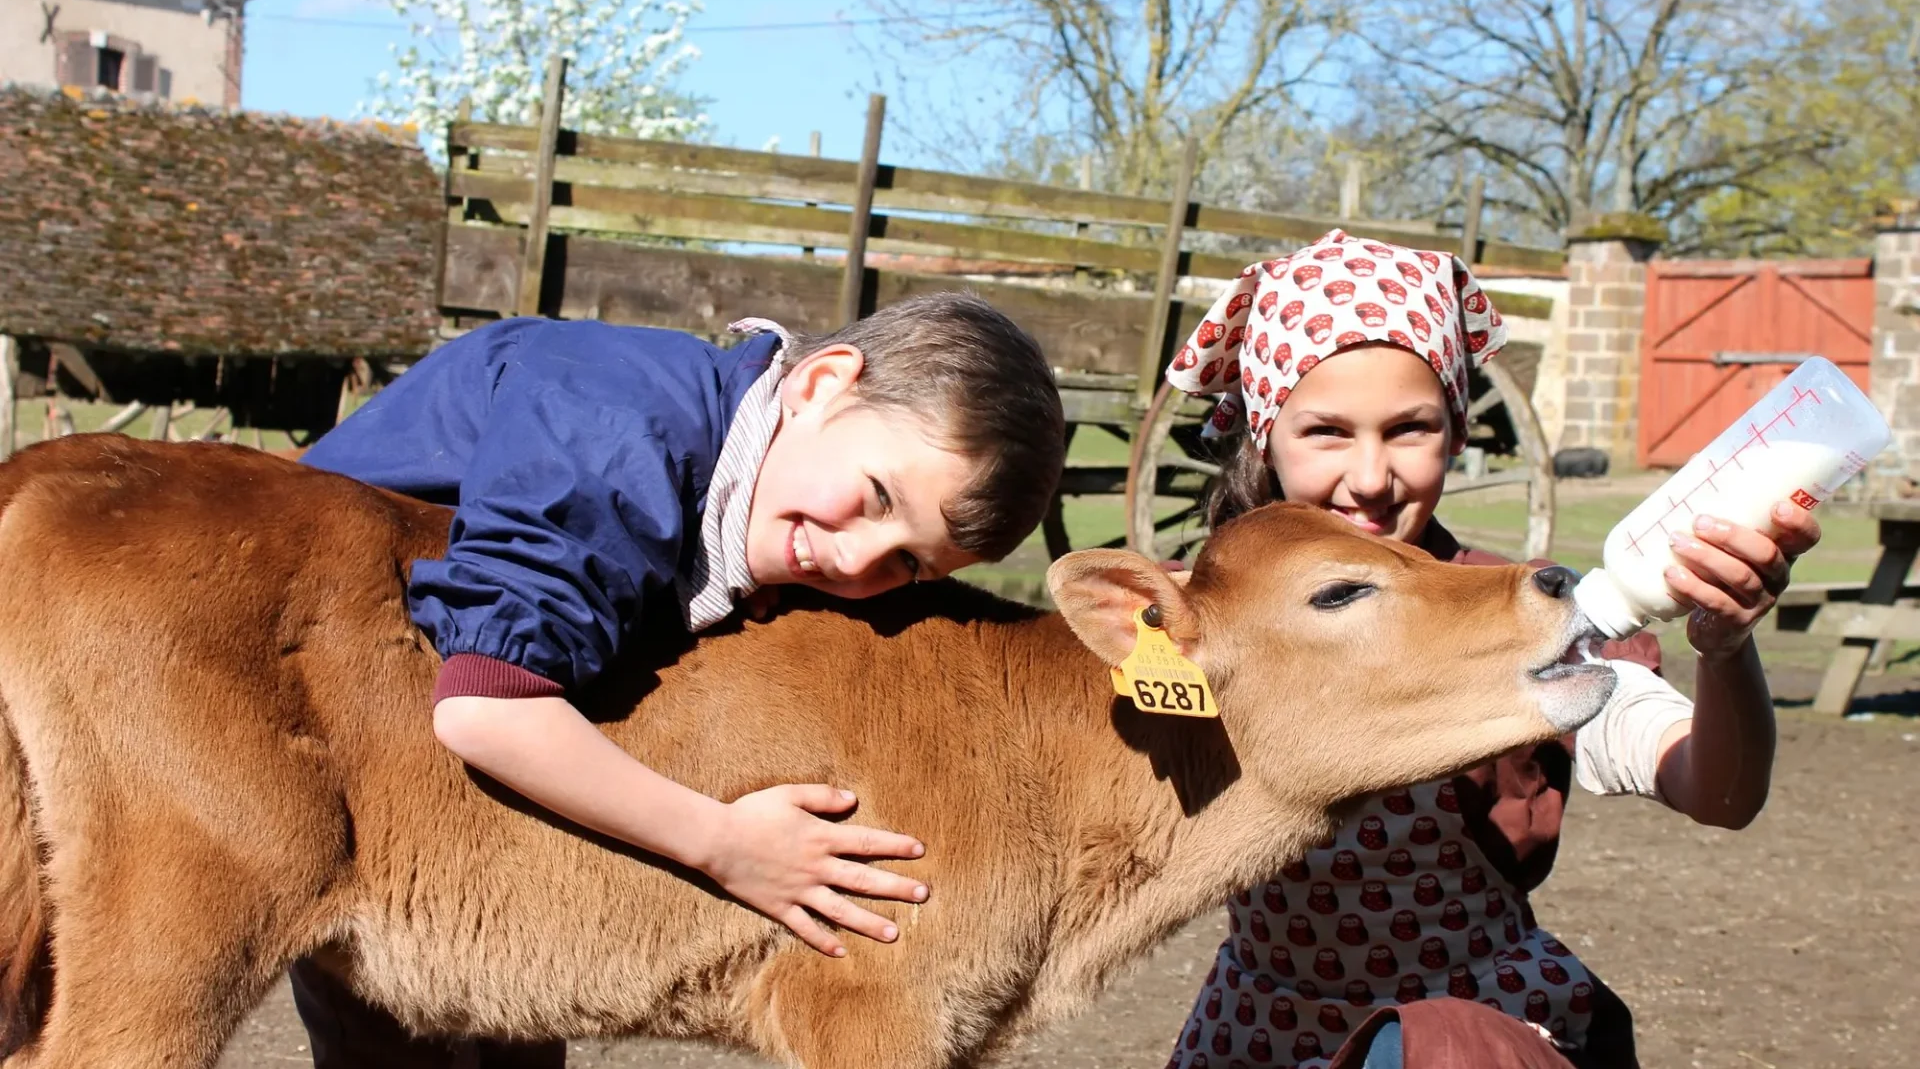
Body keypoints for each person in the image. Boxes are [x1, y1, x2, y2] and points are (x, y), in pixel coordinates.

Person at [289, 292, 1067, 1068]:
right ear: (821, 382)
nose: (857, 560)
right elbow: (487, 704)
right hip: (312, 718)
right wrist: (725, 843)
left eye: (908, 564)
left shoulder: (748, 467)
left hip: (437, 781)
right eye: (875, 497)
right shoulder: (620, 449)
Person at [1159, 231, 1818, 1069]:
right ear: (1266, 430)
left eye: (1410, 429)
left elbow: (1717, 792)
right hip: (1261, 1029)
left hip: (1460, 1031)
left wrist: (1725, 650)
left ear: (1457, 432)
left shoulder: (1522, 607)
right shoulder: (1199, 622)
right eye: (1326, 431)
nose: (1370, 478)